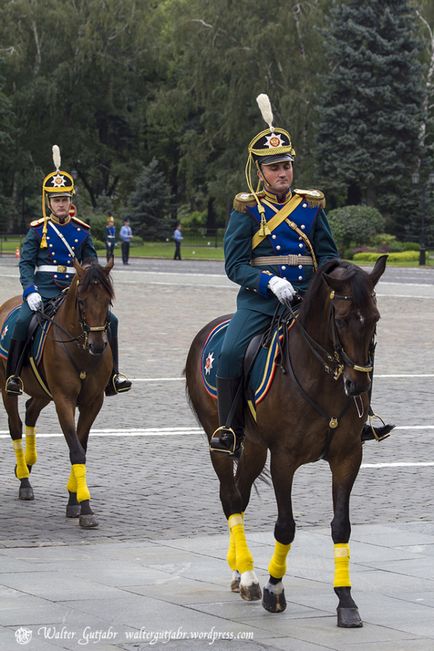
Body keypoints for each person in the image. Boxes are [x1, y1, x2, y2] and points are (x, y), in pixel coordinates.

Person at [210, 94, 392, 457]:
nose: (282, 173)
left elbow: (328, 256)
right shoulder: (246, 210)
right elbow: (235, 265)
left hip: (310, 296)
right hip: (261, 301)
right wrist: (269, 282)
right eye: (274, 167)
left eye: (286, 166)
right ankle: (228, 427)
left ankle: (363, 415)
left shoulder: (310, 206)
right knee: (230, 352)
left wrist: (339, 281)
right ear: (259, 171)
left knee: (355, 338)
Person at [5, 145, 132, 398]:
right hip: (44, 290)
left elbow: (92, 263)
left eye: (65, 199)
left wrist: (88, 279)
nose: (61, 204)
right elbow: (26, 263)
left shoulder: (81, 231)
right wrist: (29, 290)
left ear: (70, 201)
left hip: (74, 291)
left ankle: (113, 375)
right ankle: (14, 376)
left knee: (112, 320)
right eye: (56, 200)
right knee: (22, 321)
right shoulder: (37, 230)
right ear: (49, 202)